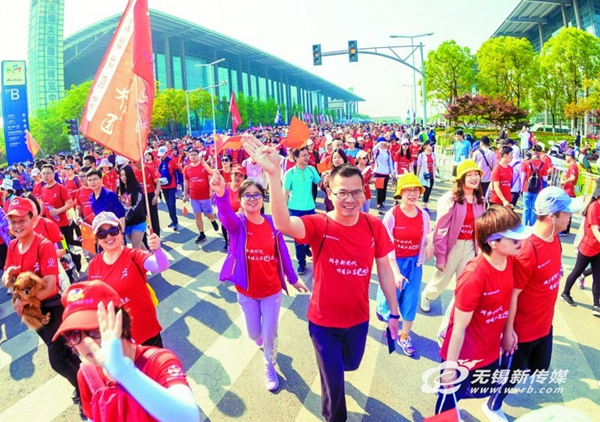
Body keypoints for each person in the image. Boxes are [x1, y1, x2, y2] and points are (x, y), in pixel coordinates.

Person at [242, 134, 400, 422]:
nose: (350, 199)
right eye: (343, 193)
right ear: (330, 194)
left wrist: (394, 311)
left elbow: (385, 270)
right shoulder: (320, 224)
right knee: (334, 387)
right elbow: (282, 223)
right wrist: (274, 174)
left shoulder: (373, 225)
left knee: (350, 365)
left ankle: (337, 369)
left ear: (364, 194)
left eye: (356, 193)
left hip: (358, 319)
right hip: (323, 323)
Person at [483, 187, 582, 421]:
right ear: (552, 217)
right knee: (512, 375)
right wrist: (508, 332)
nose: (571, 217)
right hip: (523, 331)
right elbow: (512, 295)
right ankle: (492, 405)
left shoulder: (554, 238)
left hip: (544, 324)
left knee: (539, 369)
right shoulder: (528, 248)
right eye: (567, 213)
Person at [211, 172, 309, 390]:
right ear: (242, 199)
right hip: (246, 292)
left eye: (256, 194)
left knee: (269, 333)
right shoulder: (239, 225)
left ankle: (269, 364)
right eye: (247, 195)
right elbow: (225, 216)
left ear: (263, 198)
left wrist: (293, 280)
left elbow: (283, 253)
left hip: (271, 291)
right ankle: (261, 340)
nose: (252, 198)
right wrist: (220, 194)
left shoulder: (273, 224)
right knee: (254, 333)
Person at [53, 281, 200, 422]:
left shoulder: (158, 361)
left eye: (94, 330)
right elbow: (93, 417)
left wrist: (122, 371)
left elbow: (189, 418)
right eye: (73, 334)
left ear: (121, 324)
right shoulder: (86, 374)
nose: (85, 342)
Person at [436, 206, 532, 414]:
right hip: (463, 354)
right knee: (448, 401)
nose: (520, 242)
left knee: (482, 390)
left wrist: (508, 332)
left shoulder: (509, 261)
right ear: (493, 242)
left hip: (489, 351)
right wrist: (451, 368)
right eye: (513, 238)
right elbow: (459, 327)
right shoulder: (475, 274)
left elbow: (507, 303)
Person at [1, 197, 82, 410]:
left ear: (32, 218)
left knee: (58, 361)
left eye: (21, 220)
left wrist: (23, 299)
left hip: (52, 308)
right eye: (13, 222)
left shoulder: (43, 244)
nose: (17, 226)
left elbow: (51, 286)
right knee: (66, 353)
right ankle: (85, 381)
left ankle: (86, 391)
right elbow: (8, 282)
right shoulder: (13, 246)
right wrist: (8, 276)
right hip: (33, 312)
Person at [87, 212, 168, 346]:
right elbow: (96, 301)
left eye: (113, 231)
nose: (109, 237)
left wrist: (157, 250)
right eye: (102, 234)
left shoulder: (134, 255)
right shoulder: (94, 265)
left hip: (146, 331)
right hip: (119, 338)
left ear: (121, 232)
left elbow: (162, 265)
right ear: (96, 239)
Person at [377, 173, 433, 357]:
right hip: (394, 263)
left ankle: (404, 336)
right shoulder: (391, 216)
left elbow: (426, 238)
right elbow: (387, 245)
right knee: (390, 298)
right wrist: (395, 272)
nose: (412, 194)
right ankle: (388, 320)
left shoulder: (423, 215)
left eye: (416, 190)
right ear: (400, 192)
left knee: (410, 301)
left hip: (414, 265)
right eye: (408, 190)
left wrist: (431, 246)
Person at [421, 160, 485, 319]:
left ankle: (456, 314)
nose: (474, 178)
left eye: (476, 174)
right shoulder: (450, 198)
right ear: (461, 178)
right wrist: (440, 256)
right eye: (469, 175)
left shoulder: (481, 200)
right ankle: (427, 295)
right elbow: (441, 229)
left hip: (471, 247)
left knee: (466, 283)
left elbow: (482, 226)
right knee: (442, 280)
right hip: (453, 246)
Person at [561, 181, 600, 315]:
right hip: (588, 247)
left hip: (598, 249)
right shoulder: (594, 207)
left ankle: (596, 305)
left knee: (598, 277)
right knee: (577, 271)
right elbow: (595, 229)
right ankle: (565, 293)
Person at [284, 147, 322, 275]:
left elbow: (320, 183)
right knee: (298, 238)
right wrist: (283, 210)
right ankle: (301, 263)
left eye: (308, 155)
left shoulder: (311, 170)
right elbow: (285, 193)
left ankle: (307, 247)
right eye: (304, 155)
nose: (307, 158)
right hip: (295, 210)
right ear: (296, 157)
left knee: (312, 235)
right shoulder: (290, 173)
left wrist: (328, 177)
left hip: (310, 208)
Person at [183, 148, 219, 243]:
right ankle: (202, 234)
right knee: (197, 215)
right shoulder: (187, 168)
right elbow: (186, 182)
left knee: (208, 214)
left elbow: (210, 178)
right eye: (191, 154)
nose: (193, 156)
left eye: (195, 154)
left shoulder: (203, 166)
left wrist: (211, 191)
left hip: (205, 196)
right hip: (193, 197)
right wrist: (185, 194)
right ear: (189, 156)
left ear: (198, 156)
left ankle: (213, 221)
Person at [117, 165, 147, 250]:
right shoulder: (120, 189)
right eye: (121, 175)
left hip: (138, 221)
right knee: (138, 243)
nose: (123, 177)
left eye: (125, 175)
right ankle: (149, 257)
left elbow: (136, 206)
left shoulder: (137, 189)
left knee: (135, 246)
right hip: (127, 223)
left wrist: (125, 218)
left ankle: (142, 263)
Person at [521, 144, 549, 226]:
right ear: (540, 153)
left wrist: (521, 188)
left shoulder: (526, 163)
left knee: (526, 209)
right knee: (534, 209)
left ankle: (524, 226)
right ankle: (531, 227)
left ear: (532, 152)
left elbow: (523, 177)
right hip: (537, 189)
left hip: (527, 188)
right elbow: (545, 179)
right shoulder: (543, 165)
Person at [157, 146, 181, 231]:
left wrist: (178, 183)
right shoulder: (159, 162)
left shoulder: (172, 160)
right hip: (163, 186)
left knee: (171, 203)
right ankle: (173, 220)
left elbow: (178, 172)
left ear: (167, 153)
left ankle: (175, 222)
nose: (161, 156)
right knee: (168, 204)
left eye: (162, 155)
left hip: (171, 185)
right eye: (160, 155)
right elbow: (157, 173)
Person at [373, 137, 395, 212]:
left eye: (385, 142)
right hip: (378, 172)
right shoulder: (377, 151)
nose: (384, 144)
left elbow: (390, 162)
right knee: (379, 189)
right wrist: (379, 143)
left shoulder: (387, 152)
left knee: (384, 189)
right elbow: (373, 150)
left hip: (385, 173)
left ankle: (382, 202)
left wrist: (392, 172)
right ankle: (378, 204)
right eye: (383, 142)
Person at [559, 150, 579, 235]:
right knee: (567, 211)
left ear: (570, 156)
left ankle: (564, 230)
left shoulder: (573, 166)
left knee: (566, 211)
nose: (565, 157)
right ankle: (565, 230)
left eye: (566, 156)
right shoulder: (572, 165)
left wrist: (564, 182)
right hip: (568, 190)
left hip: (569, 191)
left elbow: (573, 177)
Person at [416, 140, 436, 213]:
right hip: (424, 176)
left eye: (432, 145)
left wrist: (436, 168)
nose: (432, 146)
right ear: (426, 146)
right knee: (426, 191)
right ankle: (424, 206)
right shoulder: (421, 155)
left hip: (431, 176)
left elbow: (434, 163)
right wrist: (417, 176)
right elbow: (419, 165)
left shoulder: (433, 154)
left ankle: (425, 205)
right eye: (430, 145)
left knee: (429, 191)